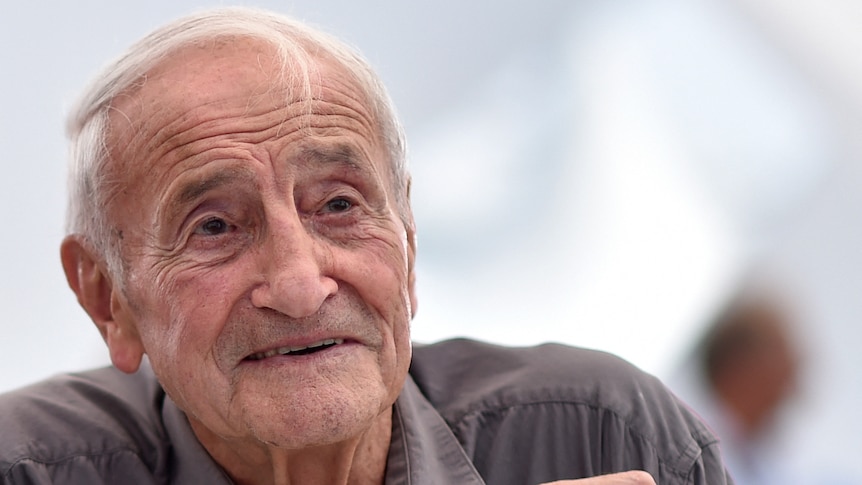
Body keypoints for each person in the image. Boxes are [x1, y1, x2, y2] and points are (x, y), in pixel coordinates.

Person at [0, 7, 730, 484]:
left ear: (407, 243)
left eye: (340, 205)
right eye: (214, 226)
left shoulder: (608, 433)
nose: (299, 283)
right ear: (107, 298)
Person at [693, 290, 801, 485]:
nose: (791, 389)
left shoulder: (761, 461)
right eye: (781, 367)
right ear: (740, 365)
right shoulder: (693, 449)